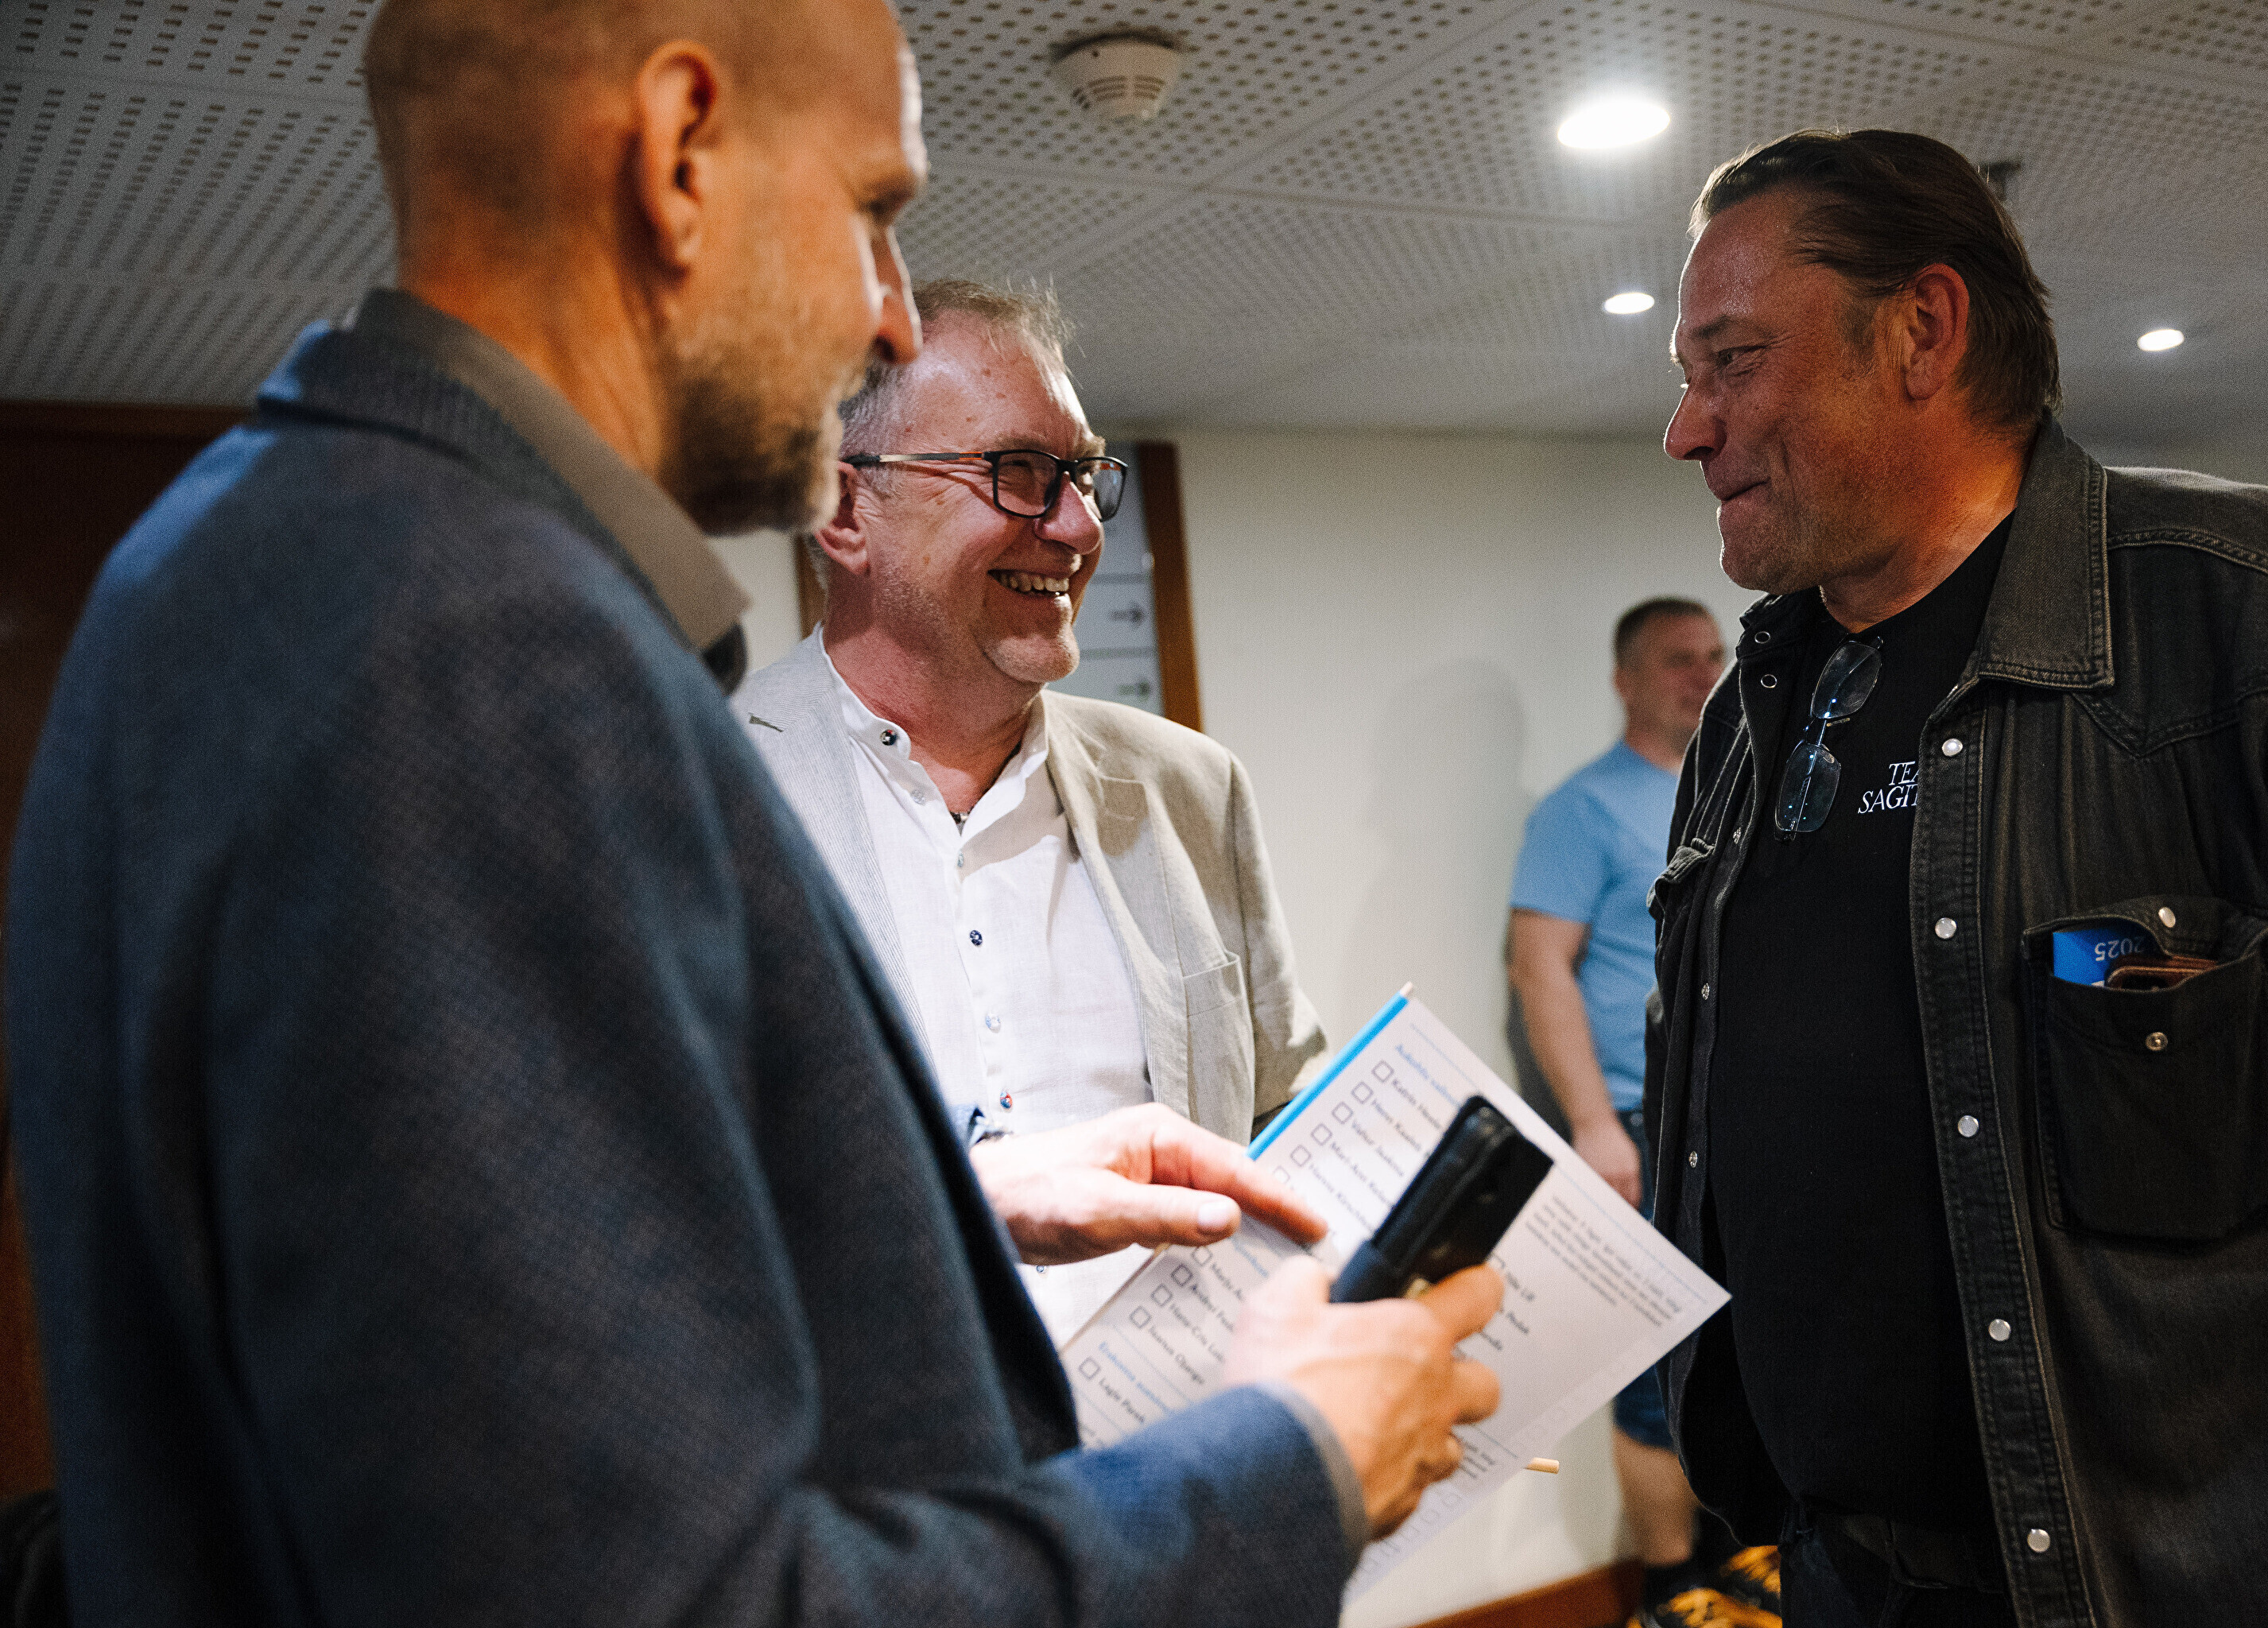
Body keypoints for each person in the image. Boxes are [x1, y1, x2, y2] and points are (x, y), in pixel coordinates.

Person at [2, 2, 1503, 1622]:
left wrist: (948, 1211)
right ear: (677, 154)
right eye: (875, 214)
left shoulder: (271, 557)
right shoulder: (469, 649)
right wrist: (1294, 1463)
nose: (886, 312)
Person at [1647, 126, 2268, 1627]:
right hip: (1836, 1571)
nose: (1688, 428)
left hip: (2189, 1586)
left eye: (1732, 360)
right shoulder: (1752, 713)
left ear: (1923, 330)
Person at [733, 280, 1328, 1344]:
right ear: (845, 510)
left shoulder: (1192, 789)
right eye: (1018, 473)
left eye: (1086, 476)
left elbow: (1278, 1114)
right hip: (870, 1434)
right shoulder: (701, 786)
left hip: (1181, 1428)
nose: (1077, 526)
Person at [1509, 599, 1774, 1624]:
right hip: (1642, 1122)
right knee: (1662, 1362)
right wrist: (1595, 1127)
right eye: (1676, 660)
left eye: (1714, 655)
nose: (1704, 674)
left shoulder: (1742, 788)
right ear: (1625, 680)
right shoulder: (1581, 812)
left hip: (1741, 1117)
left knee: (1752, 1344)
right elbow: (1540, 968)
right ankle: (1673, 1589)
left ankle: (1740, 1550)